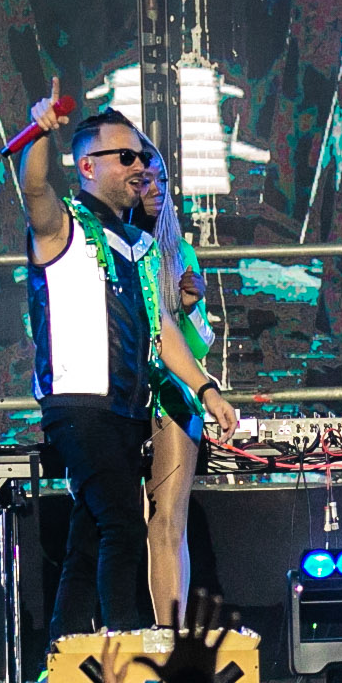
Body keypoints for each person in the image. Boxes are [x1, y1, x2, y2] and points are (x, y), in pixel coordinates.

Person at [11, 99, 239, 637]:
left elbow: (162, 334)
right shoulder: (62, 228)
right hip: (80, 407)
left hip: (125, 410)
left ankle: (62, 664)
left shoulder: (140, 246)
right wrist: (39, 135)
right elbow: (34, 191)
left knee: (88, 539)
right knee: (122, 527)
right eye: (126, 157)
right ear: (88, 166)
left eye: (142, 157)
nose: (140, 167)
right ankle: (128, 658)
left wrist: (207, 390)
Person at [132, 141, 211, 626]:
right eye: (145, 180)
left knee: (168, 521)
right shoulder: (108, 245)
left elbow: (196, 344)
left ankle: (173, 633)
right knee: (131, 525)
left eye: (162, 179)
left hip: (172, 396)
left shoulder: (178, 251)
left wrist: (187, 306)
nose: (155, 189)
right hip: (118, 394)